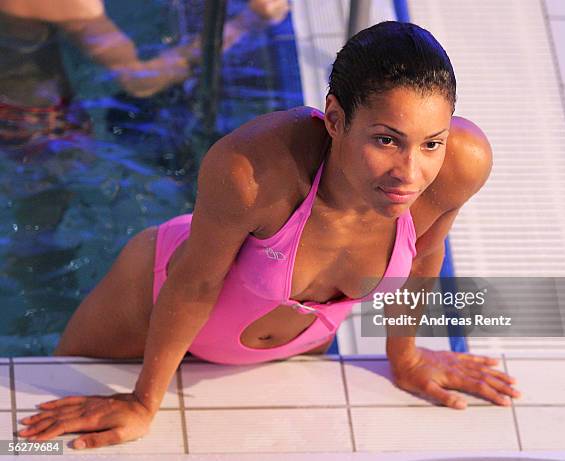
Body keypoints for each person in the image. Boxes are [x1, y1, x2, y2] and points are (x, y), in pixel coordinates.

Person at [18, 21, 520, 450]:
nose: (410, 172)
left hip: (286, 344)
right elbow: (194, 285)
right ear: (335, 119)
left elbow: (425, 257)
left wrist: (404, 357)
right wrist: (143, 402)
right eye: (386, 140)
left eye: (431, 142)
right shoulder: (253, 170)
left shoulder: (460, 165)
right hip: (148, 307)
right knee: (38, 420)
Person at [0, 0, 289, 143]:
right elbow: (140, 81)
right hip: (28, 116)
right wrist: (248, 21)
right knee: (49, 211)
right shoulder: (71, 4)